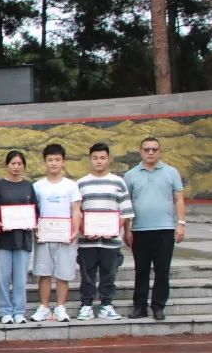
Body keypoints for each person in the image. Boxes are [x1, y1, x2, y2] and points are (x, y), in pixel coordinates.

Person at [124, 136, 185, 320]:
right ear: (140, 151)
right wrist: (126, 229)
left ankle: (158, 306)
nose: (150, 153)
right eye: (147, 149)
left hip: (164, 230)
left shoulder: (171, 172)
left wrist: (181, 223)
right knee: (141, 270)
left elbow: (179, 199)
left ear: (160, 151)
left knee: (162, 270)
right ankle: (139, 307)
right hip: (140, 230)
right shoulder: (131, 175)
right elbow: (126, 204)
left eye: (154, 149)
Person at [77, 143, 134, 321]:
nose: (99, 161)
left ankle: (106, 305)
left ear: (109, 159)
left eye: (102, 158)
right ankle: (86, 305)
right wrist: (84, 229)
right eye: (95, 158)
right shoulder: (81, 183)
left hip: (111, 240)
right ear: (90, 160)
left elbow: (125, 211)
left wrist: (115, 228)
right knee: (87, 274)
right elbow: (76, 212)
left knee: (109, 274)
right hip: (87, 241)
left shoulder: (118, 182)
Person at [31, 143, 82, 323]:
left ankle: (60, 307)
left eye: (57, 160)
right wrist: (35, 228)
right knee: (44, 273)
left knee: (63, 273)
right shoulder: (37, 186)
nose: (53, 163)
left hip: (65, 236)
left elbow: (76, 209)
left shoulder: (71, 186)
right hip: (44, 236)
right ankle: (44, 307)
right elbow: (33, 211)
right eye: (50, 160)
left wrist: (75, 231)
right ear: (44, 162)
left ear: (63, 162)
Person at [0, 150, 37, 324]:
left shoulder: (28, 186)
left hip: (23, 238)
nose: (16, 167)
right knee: (2, 277)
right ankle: (4, 311)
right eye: (13, 163)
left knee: (20, 278)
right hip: (3, 239)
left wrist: (32, 223)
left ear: (24, 166)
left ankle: (19, 311)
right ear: (7, 165)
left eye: (20, 164)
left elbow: (35, 210)